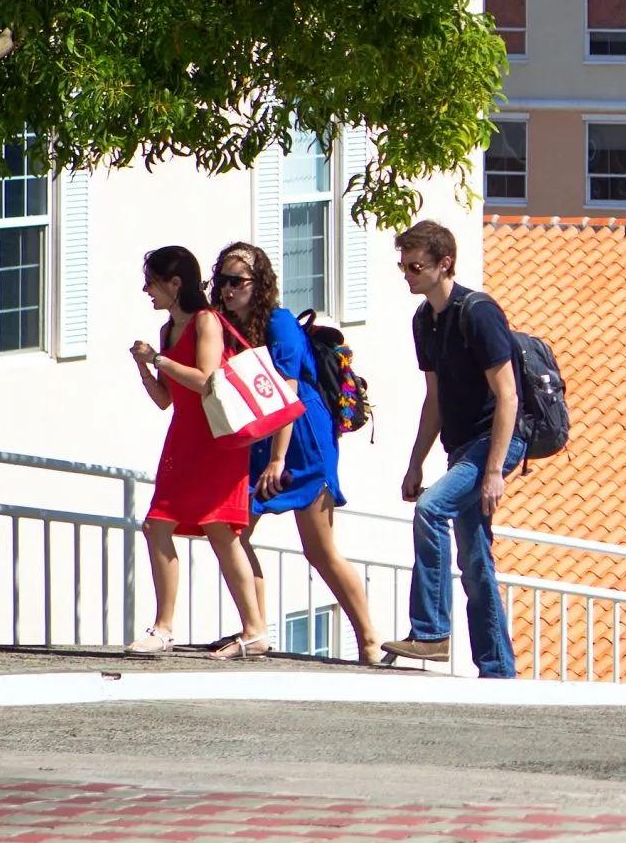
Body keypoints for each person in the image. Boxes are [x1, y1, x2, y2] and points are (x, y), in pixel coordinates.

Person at [212, 243, 384, 665]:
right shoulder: (223, 327)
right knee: (232, 532)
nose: (229, 289)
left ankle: (369, 641)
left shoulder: (280, 322)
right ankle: (256, 629)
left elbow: (288, 397)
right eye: (223, 281)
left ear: (259, 284)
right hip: (260, 443)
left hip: (301, 441)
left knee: (319, 549)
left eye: (238, 281)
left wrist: (277, 459)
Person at [385, 220, 525, 678]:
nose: (407, 273)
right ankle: (498, 667)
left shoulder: (478, 312)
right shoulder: (424, 321)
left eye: (415, 266)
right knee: (475, 558)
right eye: (403, 266)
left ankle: (430, 632)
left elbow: (508, 395)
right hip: (461, 445)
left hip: (496, 441)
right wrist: (414, 462)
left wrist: (493, 472)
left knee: (431, 509)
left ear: (444, 264)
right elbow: (435, 399)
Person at [125, 245, 269, 658]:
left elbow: (206, 379)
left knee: (221, 530)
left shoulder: (207, 321)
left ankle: (253, 629)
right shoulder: (168, 331)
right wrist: (145, 366)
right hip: (184, 436)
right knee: (158, 524)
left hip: (214, 440)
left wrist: (161, 361)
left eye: (152, 281)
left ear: (175, 283)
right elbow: (165, 399)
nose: (146, 290)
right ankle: (165, 626)